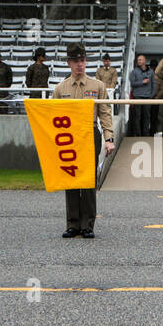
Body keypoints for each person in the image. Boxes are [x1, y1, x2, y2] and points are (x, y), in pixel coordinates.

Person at [53, 43, 114, 238]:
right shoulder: (60, 89)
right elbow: (53, 116)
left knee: (88, 180)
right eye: (76, 61)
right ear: (69, 63)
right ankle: (72, 224)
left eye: (83, 60)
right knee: (70, 178)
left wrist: (109, 138)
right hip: (68, 136)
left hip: (89, 133)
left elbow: (105, 113)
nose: (80, 64)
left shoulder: (97, 86)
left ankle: (87, 224)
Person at [128, 53, 154, 136]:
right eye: (138, 60)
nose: (139, 61)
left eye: (140, 59)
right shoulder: (134, 72)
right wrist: (142, 82)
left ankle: (146, 134)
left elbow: (154, 84)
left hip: (147, 97)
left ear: (144, 61)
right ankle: (137, 134)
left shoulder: (151, 72)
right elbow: (132, 83)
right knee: (137, 116)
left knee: (147, 116)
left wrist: (151, 95)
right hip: (137, 96)